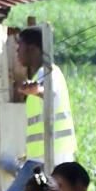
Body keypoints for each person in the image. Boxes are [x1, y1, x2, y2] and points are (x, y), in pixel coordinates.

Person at [15, 25, 77, 175]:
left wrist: (37, 91)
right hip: (44, 156)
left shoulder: (48, 72)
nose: (17, 51)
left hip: (50, 158)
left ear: (31, 49)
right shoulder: (44, 74)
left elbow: (51, 95)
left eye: (19, 46)